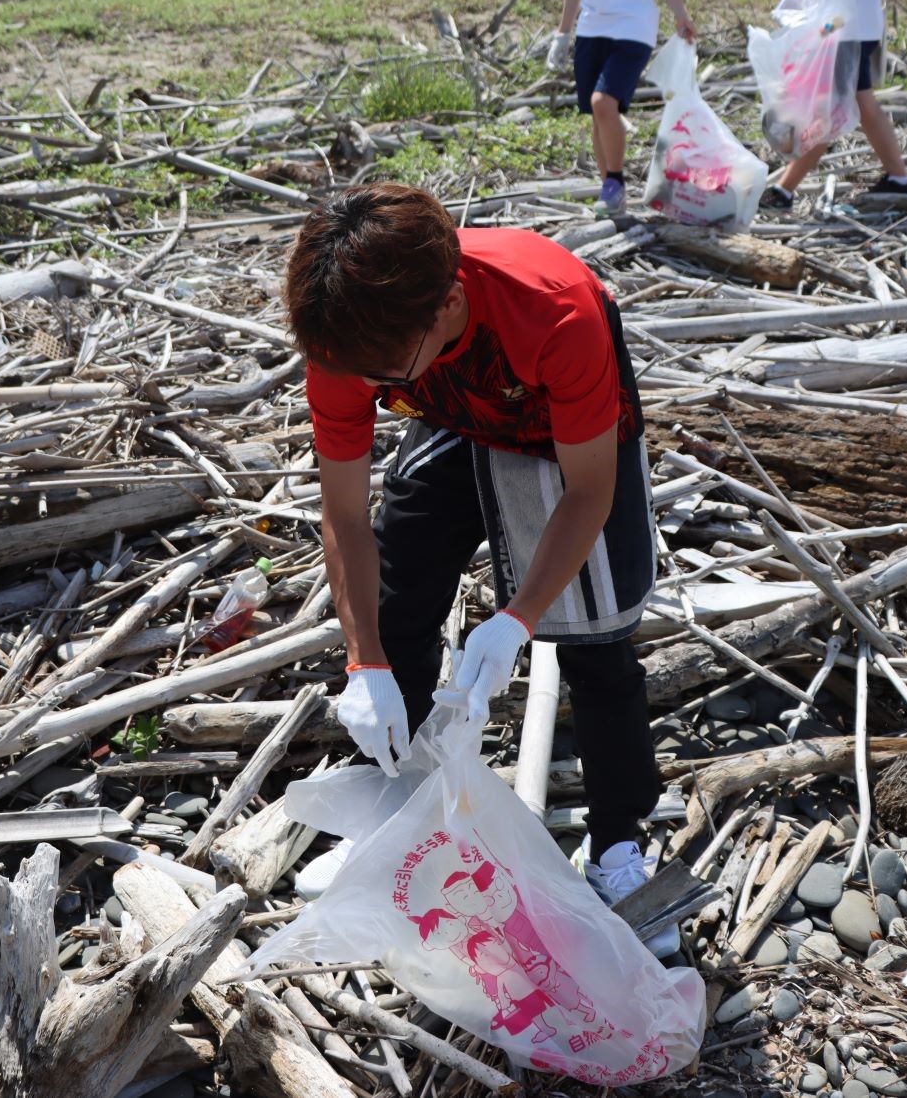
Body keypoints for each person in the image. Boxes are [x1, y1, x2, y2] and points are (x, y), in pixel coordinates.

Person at [286, 183, 674, 954]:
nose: (366, 392)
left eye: (383, 378)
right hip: (456, 412)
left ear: (448, 305)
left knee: (597, 637)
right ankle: (399, 814)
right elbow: (344, 515)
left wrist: (516, 619)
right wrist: (363, 661)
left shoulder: (556, 311)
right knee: (399, 598)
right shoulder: (351, 342)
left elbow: (590, 490)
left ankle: (619, 846)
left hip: (559, 423)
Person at [759, 0, 907, 211]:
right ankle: (899, 179)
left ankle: (784, 191)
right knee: (863, 105)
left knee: (828, 109)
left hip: (853, 33)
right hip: (839, 28)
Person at [544, 0, 695, 216]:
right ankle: (609, 193)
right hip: (591, 29)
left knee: (603, 102)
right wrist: (562, 34)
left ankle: (615, 182)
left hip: (634, 26)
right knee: (598, 114)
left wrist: (681, 14)